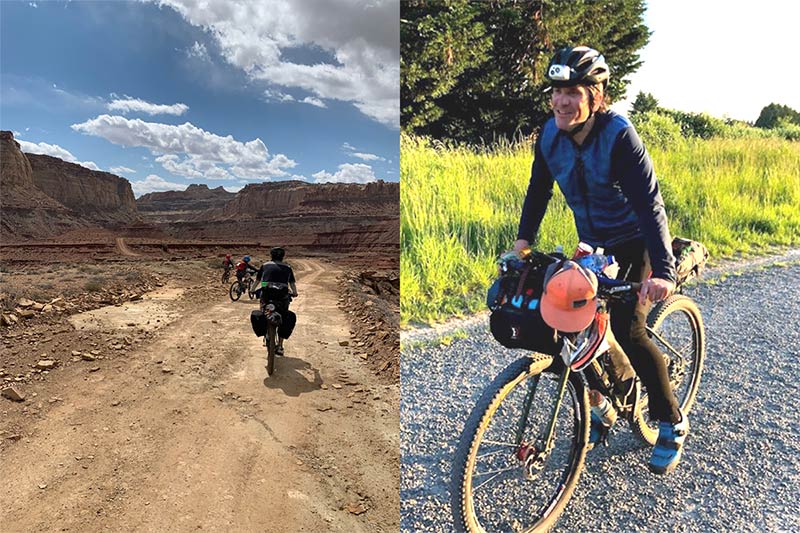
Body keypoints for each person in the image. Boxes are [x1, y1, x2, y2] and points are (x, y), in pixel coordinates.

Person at [514, 45, 686, 475]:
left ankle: (670, 421)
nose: (561, 101)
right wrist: (523, 243)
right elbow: (539, 190)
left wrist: (662, 270)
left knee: (628, 330)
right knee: (571, 323)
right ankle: (602, 405)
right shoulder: (549, 135)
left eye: (573, 91)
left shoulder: (618, 135)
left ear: (597, 96)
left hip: (635, 242)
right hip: (593, 244)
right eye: (556, 91)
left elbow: (650, 205)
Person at [256, 247, 298, 355]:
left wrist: (252, 290)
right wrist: (294, 292)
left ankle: (266, 333)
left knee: (263, 310)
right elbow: (292, 283)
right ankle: (280, 345)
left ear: (271, 255)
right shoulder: (288, 267)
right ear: (283, 256)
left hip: (266, 295)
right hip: (282, 296)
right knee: (284, 316)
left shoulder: (265, 265)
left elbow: (259, 280)